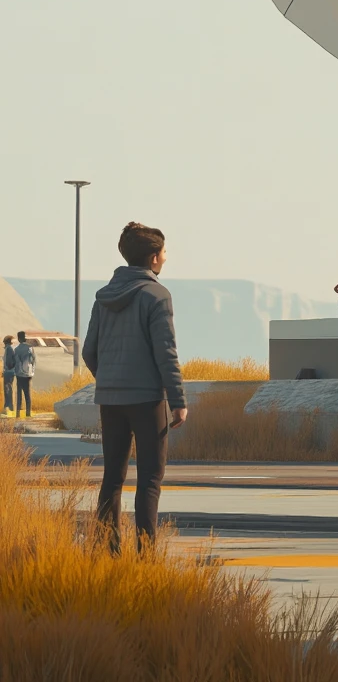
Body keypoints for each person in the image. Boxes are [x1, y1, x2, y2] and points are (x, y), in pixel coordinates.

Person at [82, 221, 187, 550]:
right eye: (165, 253)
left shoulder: (104, 296)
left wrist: (111, 380)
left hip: (110, 400)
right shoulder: (157, 295)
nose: (167, 258)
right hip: (146, 400)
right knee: (150, 480)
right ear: (154, 258)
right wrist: (178, 400)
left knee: (112, 478)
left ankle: (108, 553)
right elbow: (165, 354)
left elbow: (89, 351)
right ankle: (145, 558)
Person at [12, 331, 35, 418]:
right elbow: (33, 360)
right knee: (27, 394)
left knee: (19, 394)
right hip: (28, 374)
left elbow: (15, 362)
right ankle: (28, 413)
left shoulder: (16, 349)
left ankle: (18, 413)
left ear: (19, 338)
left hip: (19, 374)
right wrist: (32, 371)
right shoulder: (30, 348)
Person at [2, 335, 13, 415]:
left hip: (8, 372)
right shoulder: (8, 349)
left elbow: (9, 362)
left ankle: (8, 406)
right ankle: (8, 406)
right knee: (8, 389)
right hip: (8, 371)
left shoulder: (9, 349)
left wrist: (6, 370)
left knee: (7, 389)